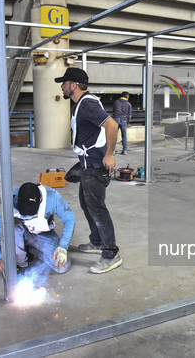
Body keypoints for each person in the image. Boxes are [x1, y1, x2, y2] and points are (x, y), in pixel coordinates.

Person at [55, 67, 122, 274]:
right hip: (87, 164)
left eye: (64, 83)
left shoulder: (87, 105)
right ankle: (97, 242)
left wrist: (109, 155)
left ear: (73, 85)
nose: (62, 86)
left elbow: (112, 126)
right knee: (87, 205)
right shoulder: (81, 104)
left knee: (97, 210)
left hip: (95, 165)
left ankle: (111, 254)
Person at [0, 182, 75, 284]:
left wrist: (62, 246)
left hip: (42, 234)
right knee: (13, 227)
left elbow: (69, 219)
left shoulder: (52, 196)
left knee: (62, 266)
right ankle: (21, 263)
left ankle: (29, 249)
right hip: (18, 233)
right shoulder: (9, 201)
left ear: (40, 198)